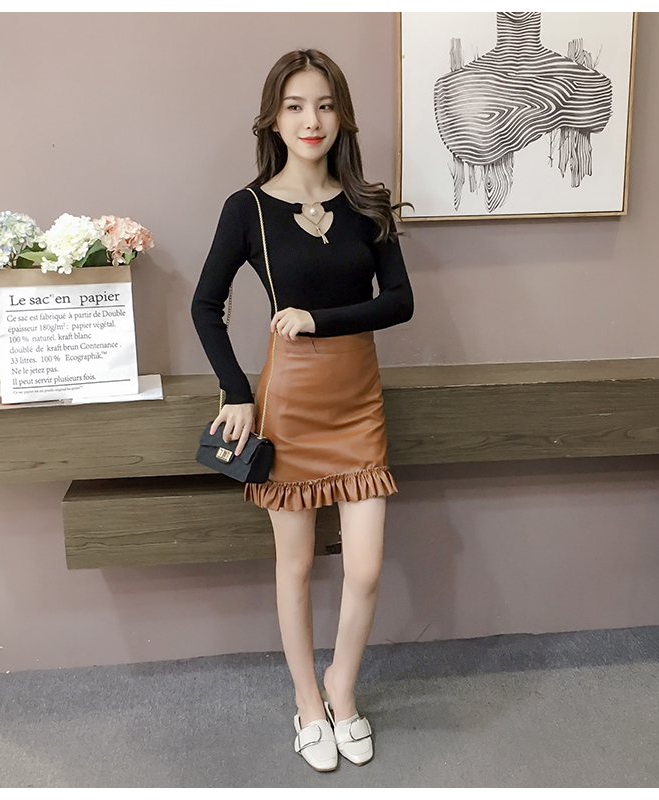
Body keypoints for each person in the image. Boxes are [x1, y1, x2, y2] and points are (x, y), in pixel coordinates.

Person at [191, 48, 413, 772]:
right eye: (294, 106)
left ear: (341, 115)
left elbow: (399, 303)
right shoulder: (248, 208)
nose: (310, 119)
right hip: (288, 404)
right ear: (273, 119)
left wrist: (320, 320)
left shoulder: (368, 202)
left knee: (366, 567)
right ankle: (307, 702)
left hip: (358, 403)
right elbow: (206, 305)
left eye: (323, 104)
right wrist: (236, 391)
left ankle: (342, 686)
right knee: (295, 565)